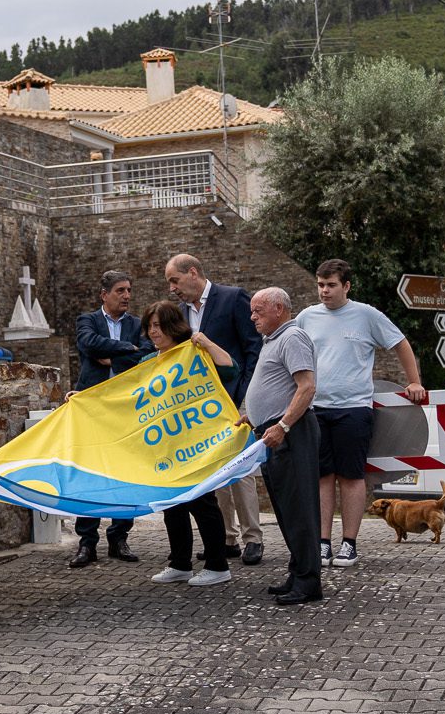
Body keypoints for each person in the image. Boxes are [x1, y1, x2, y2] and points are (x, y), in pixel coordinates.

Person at [297, 259, 428, 570]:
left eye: (331, 285)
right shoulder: (305, 318)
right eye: (320, 285)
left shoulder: (366, 315)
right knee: (322, 477)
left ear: (347, 286)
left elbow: (400, 343)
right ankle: (323, 543)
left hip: (354, 408)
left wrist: (414, 381)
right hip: (315, 408)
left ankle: (349, 543)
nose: (324, 291)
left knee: (351, 476)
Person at [166, 253, 266, 566]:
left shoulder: (233, 298)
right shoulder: (181, 312)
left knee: (241, 468)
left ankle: (253, 538)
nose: (172, 288)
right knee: (214, 468)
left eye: (175, 280)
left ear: (193, 273)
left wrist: (247, 395)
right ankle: (226, 538)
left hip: (237, 397)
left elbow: (253, 348)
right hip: (204, 405)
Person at [138, 300, 235, 586]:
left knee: (203, 502)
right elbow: (124, 395)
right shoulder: (147, 362)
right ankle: (180, 563)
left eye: (158, 326)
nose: (153, 332)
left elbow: (230, 369)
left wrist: (206, 343)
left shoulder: (193, 353)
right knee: (173, 505)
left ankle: (218, 565)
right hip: (166, 446)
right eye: (149, 326)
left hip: (196, 445)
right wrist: (83, 397)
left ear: (173, 326)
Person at [238, 288, 321, 605]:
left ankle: (308, 582)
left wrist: (283, 425)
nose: (252, 317)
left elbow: (306, 387)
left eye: (258, 310)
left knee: (299, 509)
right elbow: (279, 387)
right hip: (275, 432)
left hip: (291, 434)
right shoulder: (273, 340)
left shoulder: (292, 337)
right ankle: (298, 572)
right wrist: (254, 415)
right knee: (286, 509)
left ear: (278, 309)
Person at [68, 271, 150, 568]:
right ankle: (87, 543)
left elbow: (147, 353)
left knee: (126, 471)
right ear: (104, 294)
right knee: (89, 473)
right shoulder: (87, 320)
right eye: (120, 290)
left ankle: (119, 537)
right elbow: (89, 344)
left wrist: (112, 357)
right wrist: (127, 350)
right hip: (93, 407)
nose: (127, 295)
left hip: (127, 408)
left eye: (129, 290)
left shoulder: (137, 325)